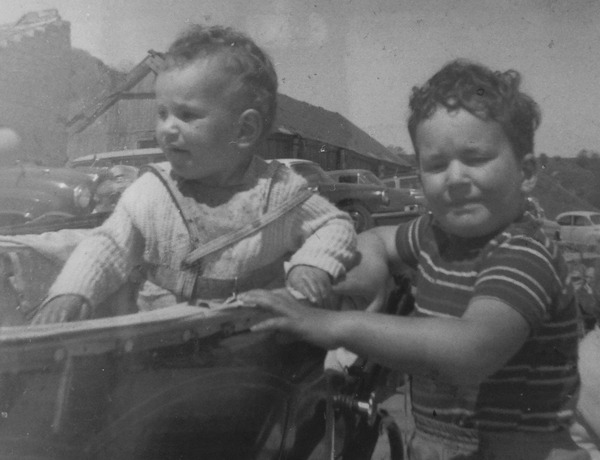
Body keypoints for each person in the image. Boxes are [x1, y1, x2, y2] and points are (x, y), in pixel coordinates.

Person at [241, 60, 589, 459]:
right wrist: (373, 268)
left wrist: (335, 326)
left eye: (475, 159)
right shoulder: (436, 234)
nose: (456, 178)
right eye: (437, 165)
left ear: (526, 173)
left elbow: (472, 351)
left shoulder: (523, 254)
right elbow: (374, 239)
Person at [31, 24, 356, 324]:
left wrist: (312, 263)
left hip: (250, 339)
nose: (167, 128)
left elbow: (333, 224)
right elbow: (108, 246)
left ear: (244, 129)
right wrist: (73, 292)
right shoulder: (152, 191)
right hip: (161, 338)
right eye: (162, 113)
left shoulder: (279, 191)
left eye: (187, 115)